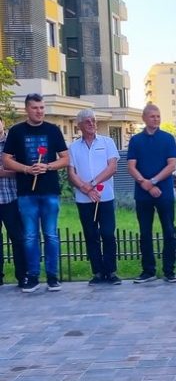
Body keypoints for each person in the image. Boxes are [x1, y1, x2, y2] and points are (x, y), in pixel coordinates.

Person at [2, 93, 68, 292]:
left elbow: (65, 158)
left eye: (42, 108)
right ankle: (32, 276)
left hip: (50, 191)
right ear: (26, 109)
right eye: (35, 108)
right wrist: (26, 169)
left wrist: (48, 166)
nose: (39, 111)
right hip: (26, 193)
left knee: (51, 235)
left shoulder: (53, 130)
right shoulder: (16, 131)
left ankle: (53, 276)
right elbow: (6, 159)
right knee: (30, 236)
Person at [67, 109, 121, 285]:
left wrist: (92, 183)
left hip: (105, 197)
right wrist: (86, 189)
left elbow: (112, 167)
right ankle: (97, 272)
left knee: (108, 233)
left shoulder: (107, 142)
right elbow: (71, 173)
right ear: (79, 125)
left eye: (93, 120)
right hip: (84, 199)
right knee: (91, 235)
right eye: (87, 121)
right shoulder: (73, 147)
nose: (91, 124)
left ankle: (111, 272)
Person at [127, 104, 176, 283]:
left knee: (169, 231)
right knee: (145, 233)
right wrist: (146, 184)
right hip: (143, 194)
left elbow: (172, 165)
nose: (156, 119)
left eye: (158, 116)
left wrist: (154, 181)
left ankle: (169, 271)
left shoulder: (168, 139)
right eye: (152, 116)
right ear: (144, 118)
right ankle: (148, 271)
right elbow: (131, 167)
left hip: (164, 192)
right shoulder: (135, 141)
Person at [0, 117, 27, 288]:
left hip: (11, 197)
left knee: (18, 238)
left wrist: (5, 172)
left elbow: (24, 169)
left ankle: (22, 276)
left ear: (2, 123)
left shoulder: (13, 142)